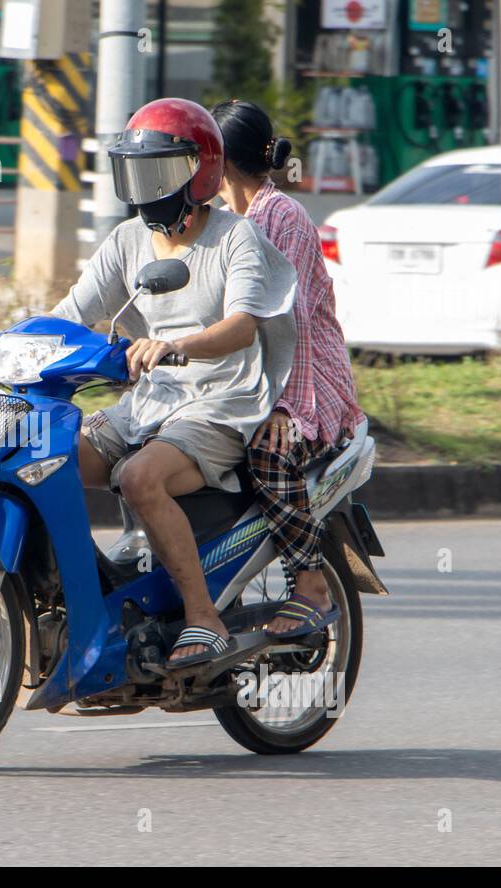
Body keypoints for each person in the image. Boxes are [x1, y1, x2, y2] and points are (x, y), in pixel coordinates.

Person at [0, 98, 298, 669]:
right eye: (136, 173)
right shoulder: (127, 241)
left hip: (221, 402)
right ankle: (86, 597)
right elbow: (71, 314)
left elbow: (242, 328)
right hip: (149, 402)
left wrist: (175, 346)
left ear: (201, 171)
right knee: (42, 459)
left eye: (159, 171)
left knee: (139, 478)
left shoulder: (235, 238)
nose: (145, 189)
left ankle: (203, 620)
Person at [202, 98, 366, 642]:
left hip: (308, 381)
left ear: (218, 160)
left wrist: (281, 409)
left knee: (269, 452)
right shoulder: (223, 221)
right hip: (246, 379)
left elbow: (285, 324)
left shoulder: (281, 216)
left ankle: (311, 583)